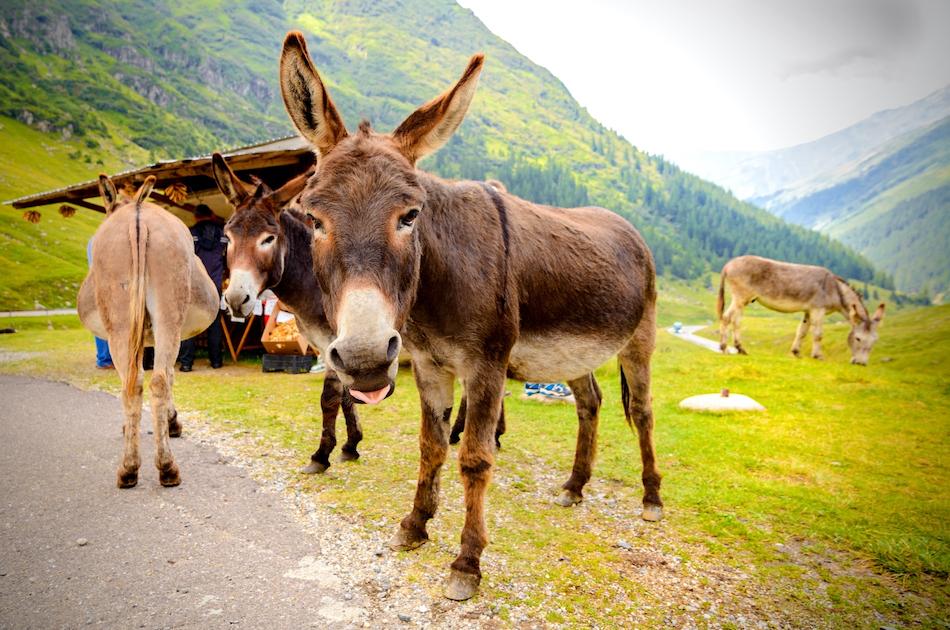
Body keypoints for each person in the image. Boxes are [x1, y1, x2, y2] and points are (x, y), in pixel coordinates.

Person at [178, 204, 227, 371]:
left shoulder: (189, 234)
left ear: (196, 216)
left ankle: (186, 363)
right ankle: (216, 361)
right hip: (215, 283)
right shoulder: (222, 234)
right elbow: (227, 257)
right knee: (214, 322)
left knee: (189, 321)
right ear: (212, 214)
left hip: (194, 283)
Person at [86, 236, 113, 369]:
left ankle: (104, 358)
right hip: (106, 284)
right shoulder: (103, 239)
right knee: (105, 321)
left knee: (102, 321)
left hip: (97, 283)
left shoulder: (94, 239)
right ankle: (105, 359)